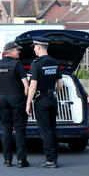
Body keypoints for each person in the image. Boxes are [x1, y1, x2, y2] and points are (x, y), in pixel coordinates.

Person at [26, 37, 63, 168]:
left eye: (35, 47)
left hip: (41, 100)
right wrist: (54, 92)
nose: (34, 49)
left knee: (45, 130)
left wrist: (28, 103)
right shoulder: (55, 62)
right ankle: (55, 158)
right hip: (53, 99)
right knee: (53, 129)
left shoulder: (36, 63)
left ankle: (50, 160)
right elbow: (60, 84)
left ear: (40, 47)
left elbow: (33, 86)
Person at [0, 41, 30, 168]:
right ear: (10, 52)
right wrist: (28, 99)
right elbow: (26, 85)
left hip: (4, 100)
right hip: (18, 100)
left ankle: (7, 160)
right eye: (17, 50)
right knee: (19, 130)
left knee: (7, 130)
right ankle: (21, 160)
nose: (19, 51)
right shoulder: (17, 64)